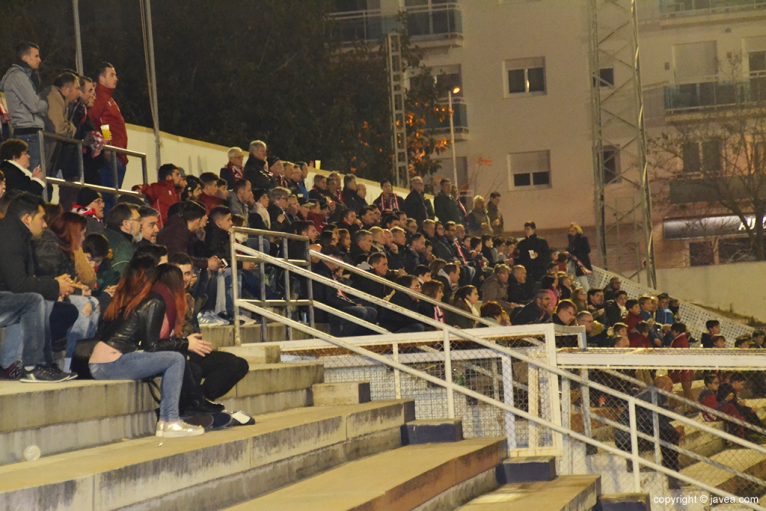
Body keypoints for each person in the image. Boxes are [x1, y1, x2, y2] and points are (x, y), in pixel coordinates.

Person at [86, 254, 204, 437]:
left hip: (111, 359)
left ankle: (176, 416)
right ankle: (169, 421)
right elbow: (152, 347)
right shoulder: (155, 301)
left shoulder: (150, 298)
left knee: (178, 360)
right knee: (175, 359)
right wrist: (185, 343)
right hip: (109, 363)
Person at [0, 193, 78, 380]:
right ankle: (32, 367)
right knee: (33, 301)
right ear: (27, 218)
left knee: (42, 300)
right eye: (41, 218)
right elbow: (19, 284)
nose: (45, 224)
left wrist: (54, 285)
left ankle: (43, 364)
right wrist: (54, 285)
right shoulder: (9, 236)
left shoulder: (18, 233)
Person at [614, 376, 682, 488]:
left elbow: (659, 419)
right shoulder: (652, 397)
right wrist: (675, 430)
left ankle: (672, 475)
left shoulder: (653, 395)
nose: (672, 390)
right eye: (670, 387)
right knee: (670, 435)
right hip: (627, 439)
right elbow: (655, 421)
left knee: (670, 434)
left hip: (635, 433)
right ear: (663, 387)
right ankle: (672, 477)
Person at [0, 42, 47, 171]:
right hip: (28, 133)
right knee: (33, 174)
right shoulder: (18, 77)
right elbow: (35, 106)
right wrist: (46, 104)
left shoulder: (24, 76)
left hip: (28, 132)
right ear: (25, 57)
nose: (39, 59)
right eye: (36, 56)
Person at [88, 62, 127, 195]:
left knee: (111, 198)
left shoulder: (108, 98)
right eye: (112, 75)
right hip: (112, 155)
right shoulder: (100, 96)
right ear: (101, 78)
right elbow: (97, 119)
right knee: (108, 199)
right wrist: (108, 143)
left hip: (117, 154)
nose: (116, 78)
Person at [104, 203, 140, 274]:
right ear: (126, 224)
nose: (141, 224)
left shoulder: (103, 234)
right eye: (138, 220)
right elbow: (122, 277)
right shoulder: (124, 246)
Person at [567, 223, 592, 289]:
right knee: (575, 281)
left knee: (583, 280)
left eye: (572, 231)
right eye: (570, 231)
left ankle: (587, 292)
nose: (571, 233)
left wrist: (576, 253)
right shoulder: (571, 239)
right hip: (573, 262)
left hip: (581, 262)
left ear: (577, 230)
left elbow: (587, 249)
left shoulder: (582, 238)